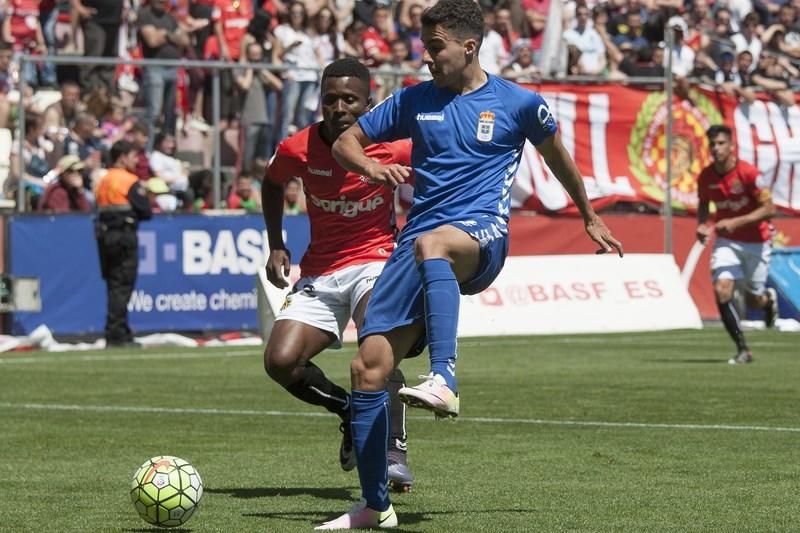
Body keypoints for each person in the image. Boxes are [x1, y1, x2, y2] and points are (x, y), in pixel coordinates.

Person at [321, 0, 622, 528]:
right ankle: (375, 505)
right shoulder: (414, 100)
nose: (427, 57)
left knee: (435, 243)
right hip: (416, 244)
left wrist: (588, 215)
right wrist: (370, 166)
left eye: (435, 47)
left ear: (469, 46)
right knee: (366, 368)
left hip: (481, 237)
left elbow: (557, 157)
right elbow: (346, 142)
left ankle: (445, 378)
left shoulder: (518, 103)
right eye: (424, 47)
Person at [261, 58, 415, 495]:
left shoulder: (393, 144)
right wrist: (276, 244)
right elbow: (272, 184)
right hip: (322, 269)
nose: (340, 107)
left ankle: (393, 450)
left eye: (350, 99)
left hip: (377, 260)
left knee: (377, 342)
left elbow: (436, 174)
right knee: (281, 362)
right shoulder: (299, 148)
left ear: (369, 102)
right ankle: (349, 411)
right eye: (331, 99)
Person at [696, 125, 778, 365]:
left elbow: (769, 208)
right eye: (712, 144)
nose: (716, 149)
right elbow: (703, 203)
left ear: (732, 146)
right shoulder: (706, 176)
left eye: (721, 143)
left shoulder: (749, 173)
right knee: (722, 290)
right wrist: (702, 224)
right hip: (727, 242)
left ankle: (767, 301)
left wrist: (736, 221)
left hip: (757, 241)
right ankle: (743, 349)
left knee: (754, 299)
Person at [94, 140, 152, 348]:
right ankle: (116, 333)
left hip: (105, 237)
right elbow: (146, 210)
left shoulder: (103, 180)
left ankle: (120, 330)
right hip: (124, 238)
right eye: (133, 155)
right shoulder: (129, 180)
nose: (136, 160)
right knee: (123, 286)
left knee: (113, 285)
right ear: (122, 157)